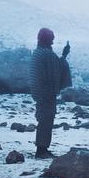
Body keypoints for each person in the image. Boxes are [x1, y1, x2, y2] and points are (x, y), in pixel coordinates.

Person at [29, 28, 72, 159]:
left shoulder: (37, 52)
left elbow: (54, 67)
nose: (52, 42)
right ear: (46, 39)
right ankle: (41, 150)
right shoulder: (47, 54)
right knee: (46, 120)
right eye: (51, 39)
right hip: (46, 93)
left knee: (44, 120)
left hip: (39, 92)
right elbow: (56, 71)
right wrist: (64, 56)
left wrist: (63, 56)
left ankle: (42, 148)